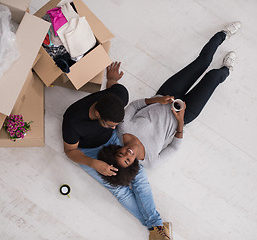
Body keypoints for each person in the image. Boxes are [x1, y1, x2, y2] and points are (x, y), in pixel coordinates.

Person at [98, 22, 242, 180]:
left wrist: (158, 99)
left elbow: (135, 105)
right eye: (127, 160)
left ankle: (222, 34)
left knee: (202, 62)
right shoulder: (151, 161)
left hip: (167, 95)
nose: (127, 154)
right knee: (213, 77)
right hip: (184, 114)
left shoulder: (123, 128)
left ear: (117, 149)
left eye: (121, 153)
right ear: (132, 164)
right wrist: (180, 122)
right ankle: (226, 70)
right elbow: (174, 148)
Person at [62, 62, 172, 240]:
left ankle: (156, 227)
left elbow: (112, 90)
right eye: (110, 124)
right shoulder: (73, 122)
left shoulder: (120, 94)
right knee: (119, 189)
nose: (115, 128)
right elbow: (69, 151)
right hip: (88, 151)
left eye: (116, 124)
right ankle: (158, 230)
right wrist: (94, 163)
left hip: (111, 143)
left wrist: (112, 79)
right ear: (98, 114)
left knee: (139, 178)